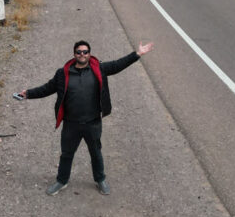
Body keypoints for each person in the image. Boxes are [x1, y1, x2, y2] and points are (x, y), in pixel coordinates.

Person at [16, 39, 153, 195]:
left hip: (92, 123)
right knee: (67, 154)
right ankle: (62, 181)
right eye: (79, 52)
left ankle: (100, 179)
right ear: (74, 54)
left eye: (85, 52)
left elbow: (117, 65)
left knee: (96, 153)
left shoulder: (99, 69)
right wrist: (29, 94)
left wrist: (137, 54)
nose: (82, 54)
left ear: (89, 54)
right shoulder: (63, 73)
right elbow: (47, 88)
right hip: (71, 124)